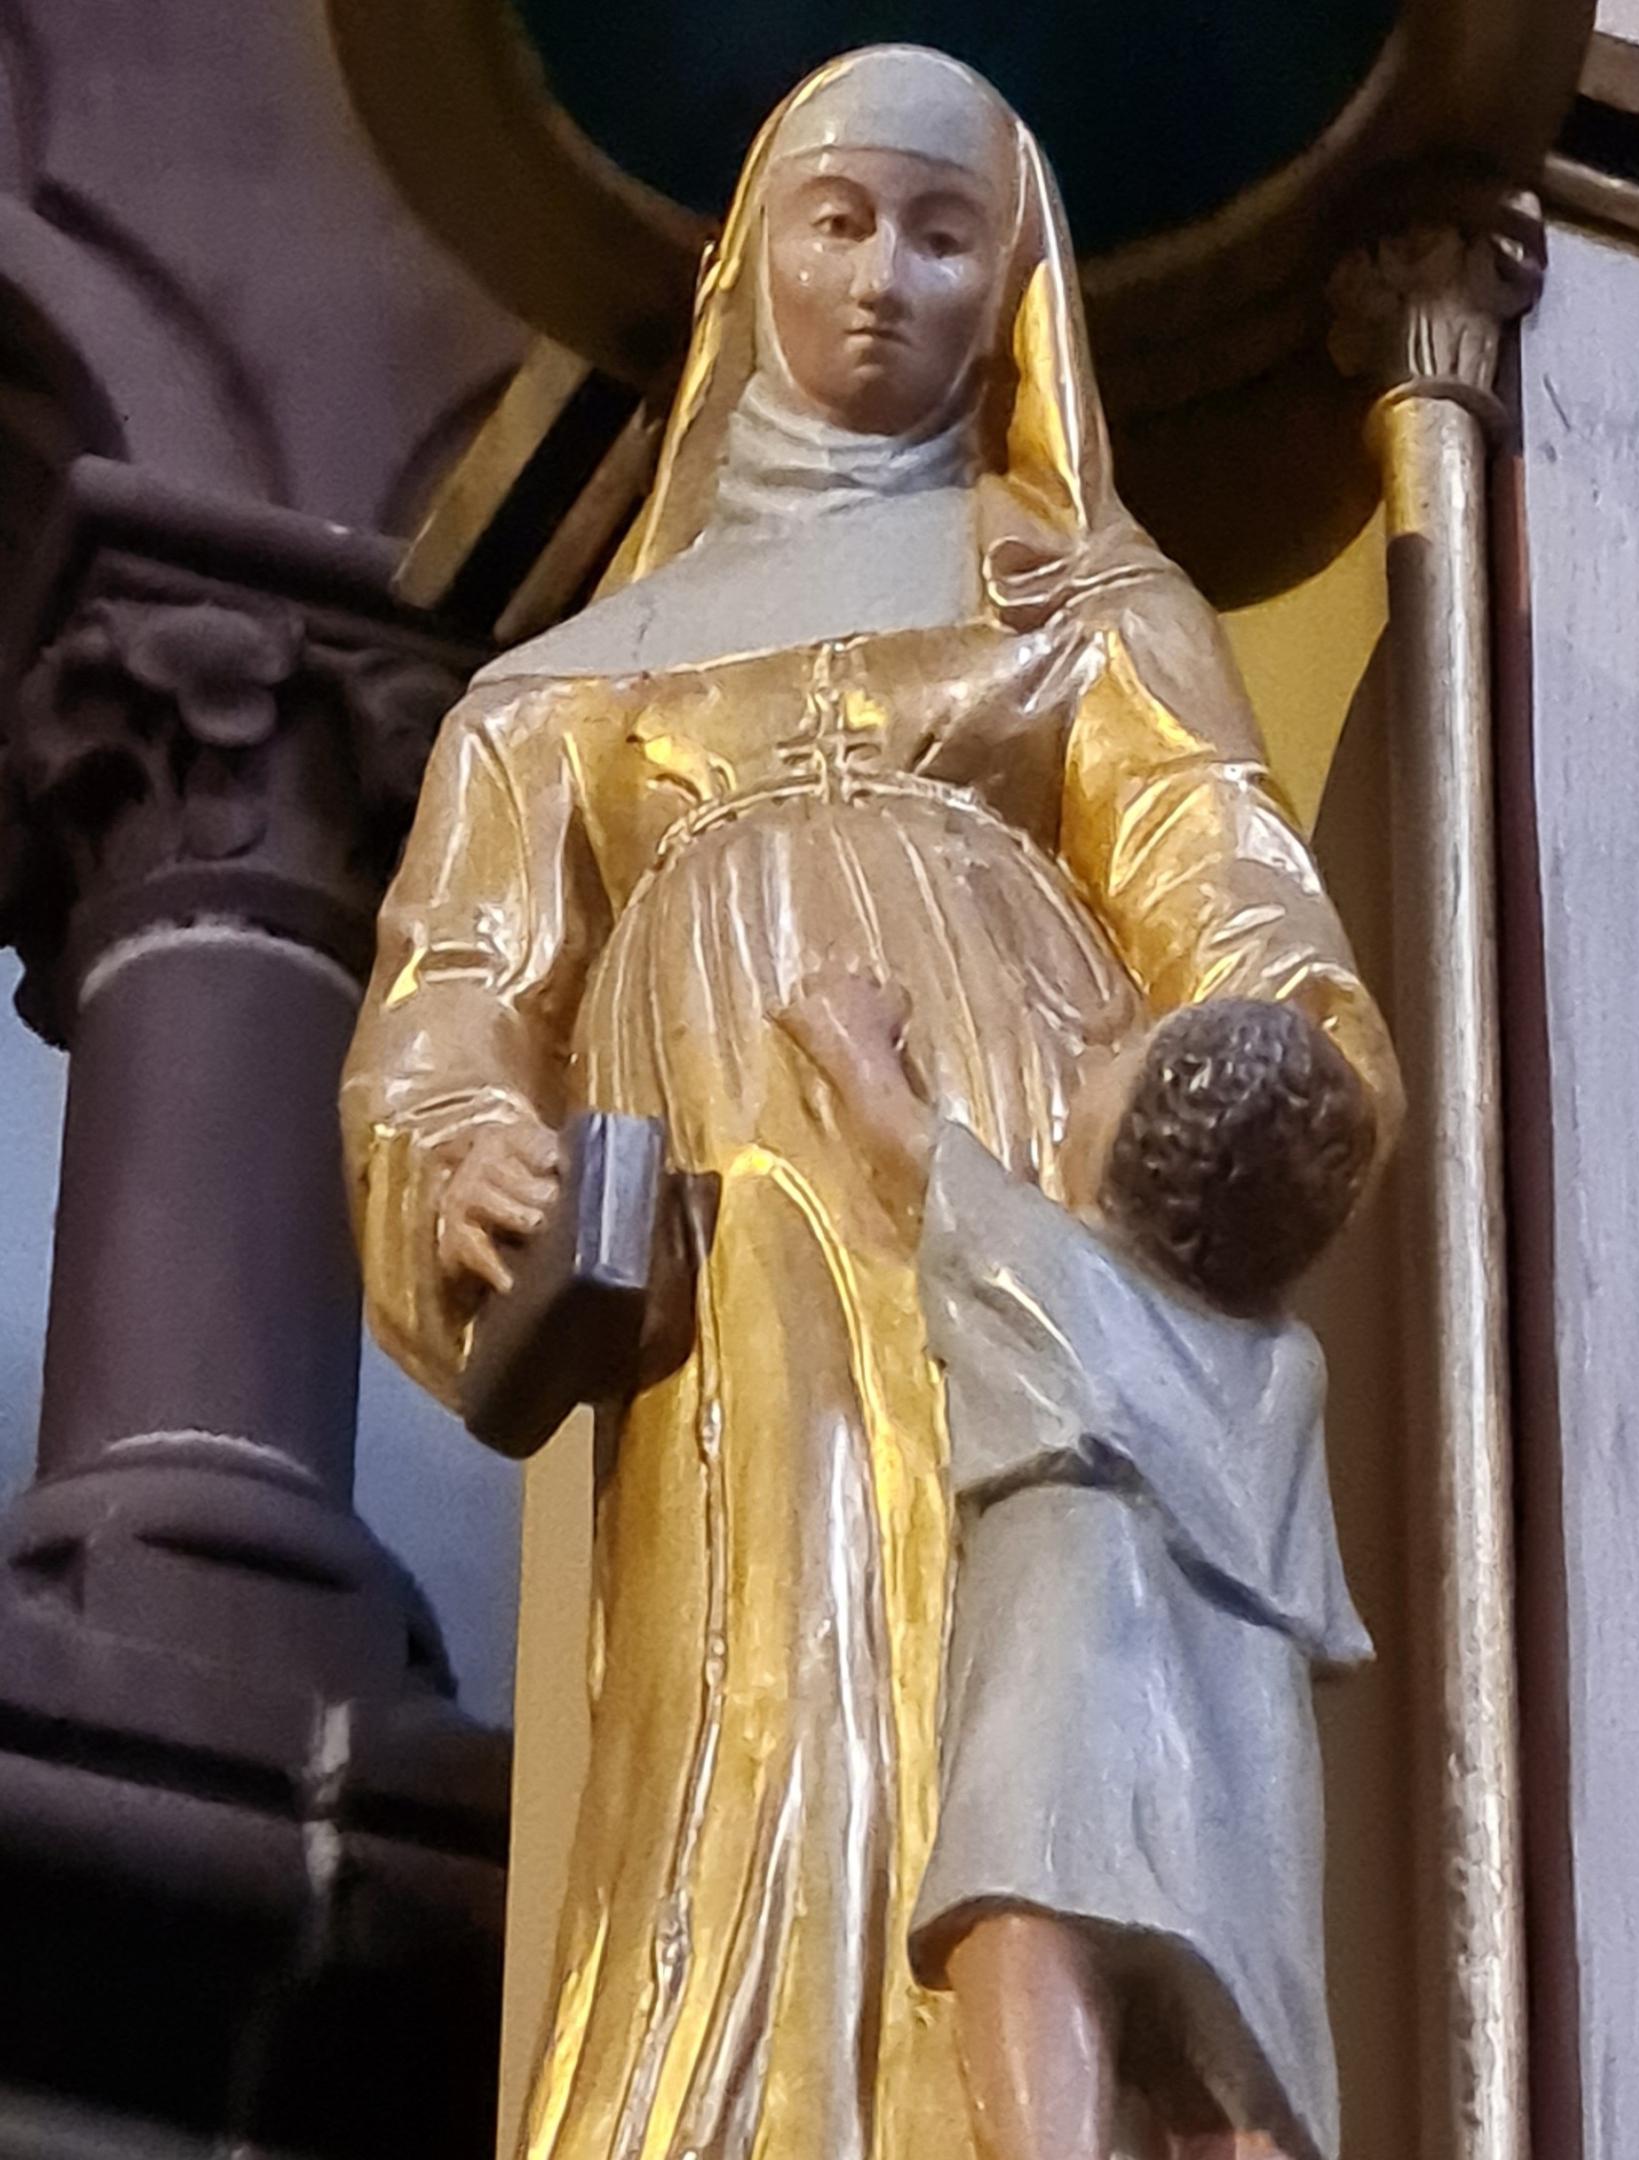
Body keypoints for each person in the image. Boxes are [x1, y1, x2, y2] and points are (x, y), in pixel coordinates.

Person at [341, 46, 1398, 2160]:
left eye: (947, 236)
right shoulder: (568, 688)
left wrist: (1264, 1075)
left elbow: (1234, 906)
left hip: (1011, 1214)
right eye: (843, 220)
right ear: (756, 259)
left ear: (1012, 284)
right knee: (760, 1703)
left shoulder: (1076, 605)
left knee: (1003, 1691)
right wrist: (459, 1157)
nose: (889, 280)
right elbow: (446, 1003)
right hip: (725, 1284)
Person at [780, 970, 1376, 2160]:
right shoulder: (1291, 1367)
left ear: (1133, 1147)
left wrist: (845, 1030)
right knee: (1237, 2061)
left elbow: (900, 1141)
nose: (1088, 1064)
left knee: (1033, 1926)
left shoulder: (1052, 1266)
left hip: (1070, 1700)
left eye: (1116, 1064)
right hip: (1246, 1753)